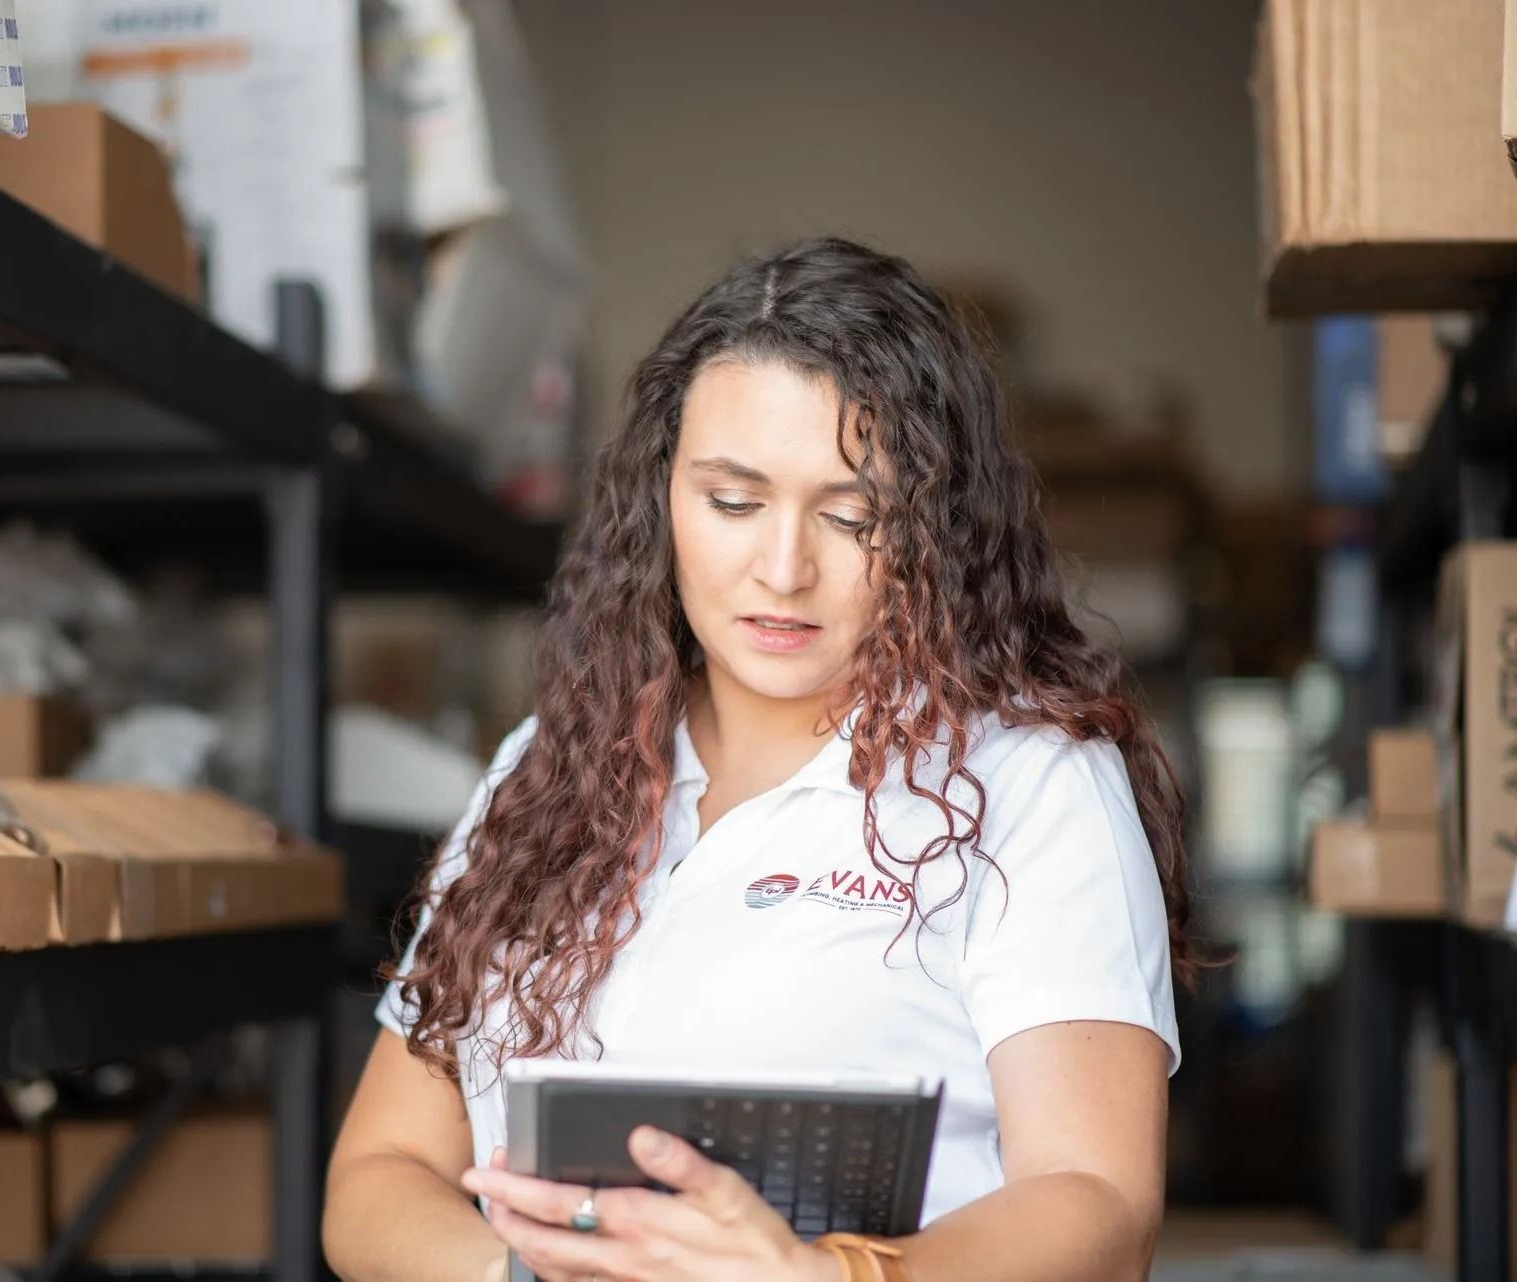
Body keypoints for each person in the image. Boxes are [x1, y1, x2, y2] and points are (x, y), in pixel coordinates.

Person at [324, 237, 1188, 1282]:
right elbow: (381, 1168)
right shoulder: (546, 768)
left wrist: (825, 1281)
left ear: (936, 527)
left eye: (852, 514)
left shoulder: (1027, 781)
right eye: (734, 502)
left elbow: (1099, 1204)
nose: (784, 569)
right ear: (661, 500)